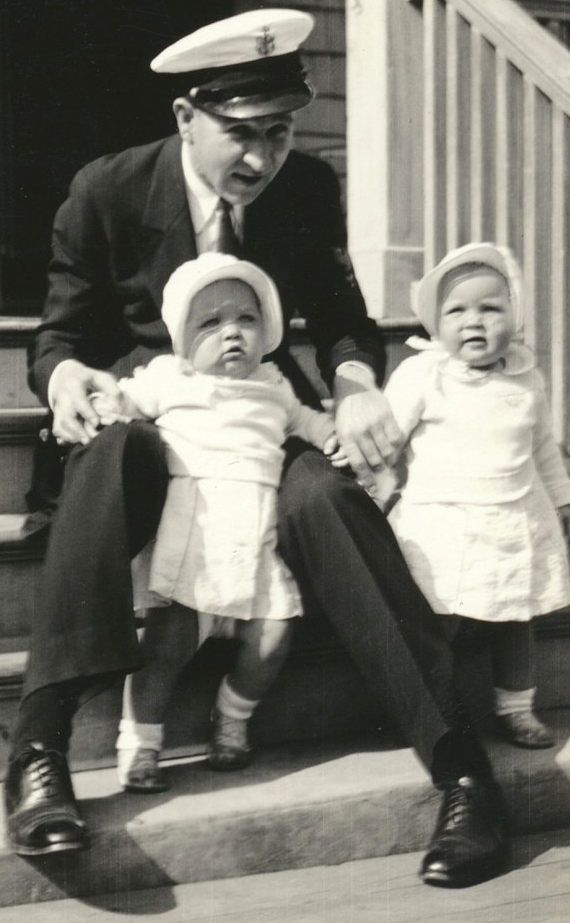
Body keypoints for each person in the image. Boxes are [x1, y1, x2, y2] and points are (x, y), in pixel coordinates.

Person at [5, 8, 509, 887]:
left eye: (279, 133)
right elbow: (55, 337)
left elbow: (345, 323)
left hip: (263, 415)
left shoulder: (307, 188)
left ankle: (462, 766)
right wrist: (68, 380)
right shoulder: (109, 190)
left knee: (326, 496)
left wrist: (353, 386)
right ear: (185, 118)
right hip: (150, 417)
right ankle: (40, 747)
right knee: (112, 451)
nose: (261, 160)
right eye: (241, 134)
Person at [87, 253, 347, 790]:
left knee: (274, 636)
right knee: (164, 649)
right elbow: (123, 401)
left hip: (257, 544)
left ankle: (233, 715)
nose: (232, 334)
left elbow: (311, 421)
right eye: (211, 323)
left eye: (246, 320)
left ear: (267, 330)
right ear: (182, 339)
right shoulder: (170, 379)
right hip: (195, 542)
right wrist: (101, 406)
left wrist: (332, 436)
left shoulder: (275, 386)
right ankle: (141, 742)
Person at [381, 243, 570, 749]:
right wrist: (372, 485)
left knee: (517, 616)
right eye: (457, 310)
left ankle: (516, 707)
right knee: (440, 616)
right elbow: (386, 440)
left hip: (514, 518)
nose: (474, 321)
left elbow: (543, 451)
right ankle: (441, 708)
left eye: (490, 308)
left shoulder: (526, 379)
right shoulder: (422, 375)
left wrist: (563, 500)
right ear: (433, 322)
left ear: (514, 317)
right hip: (442, 521)